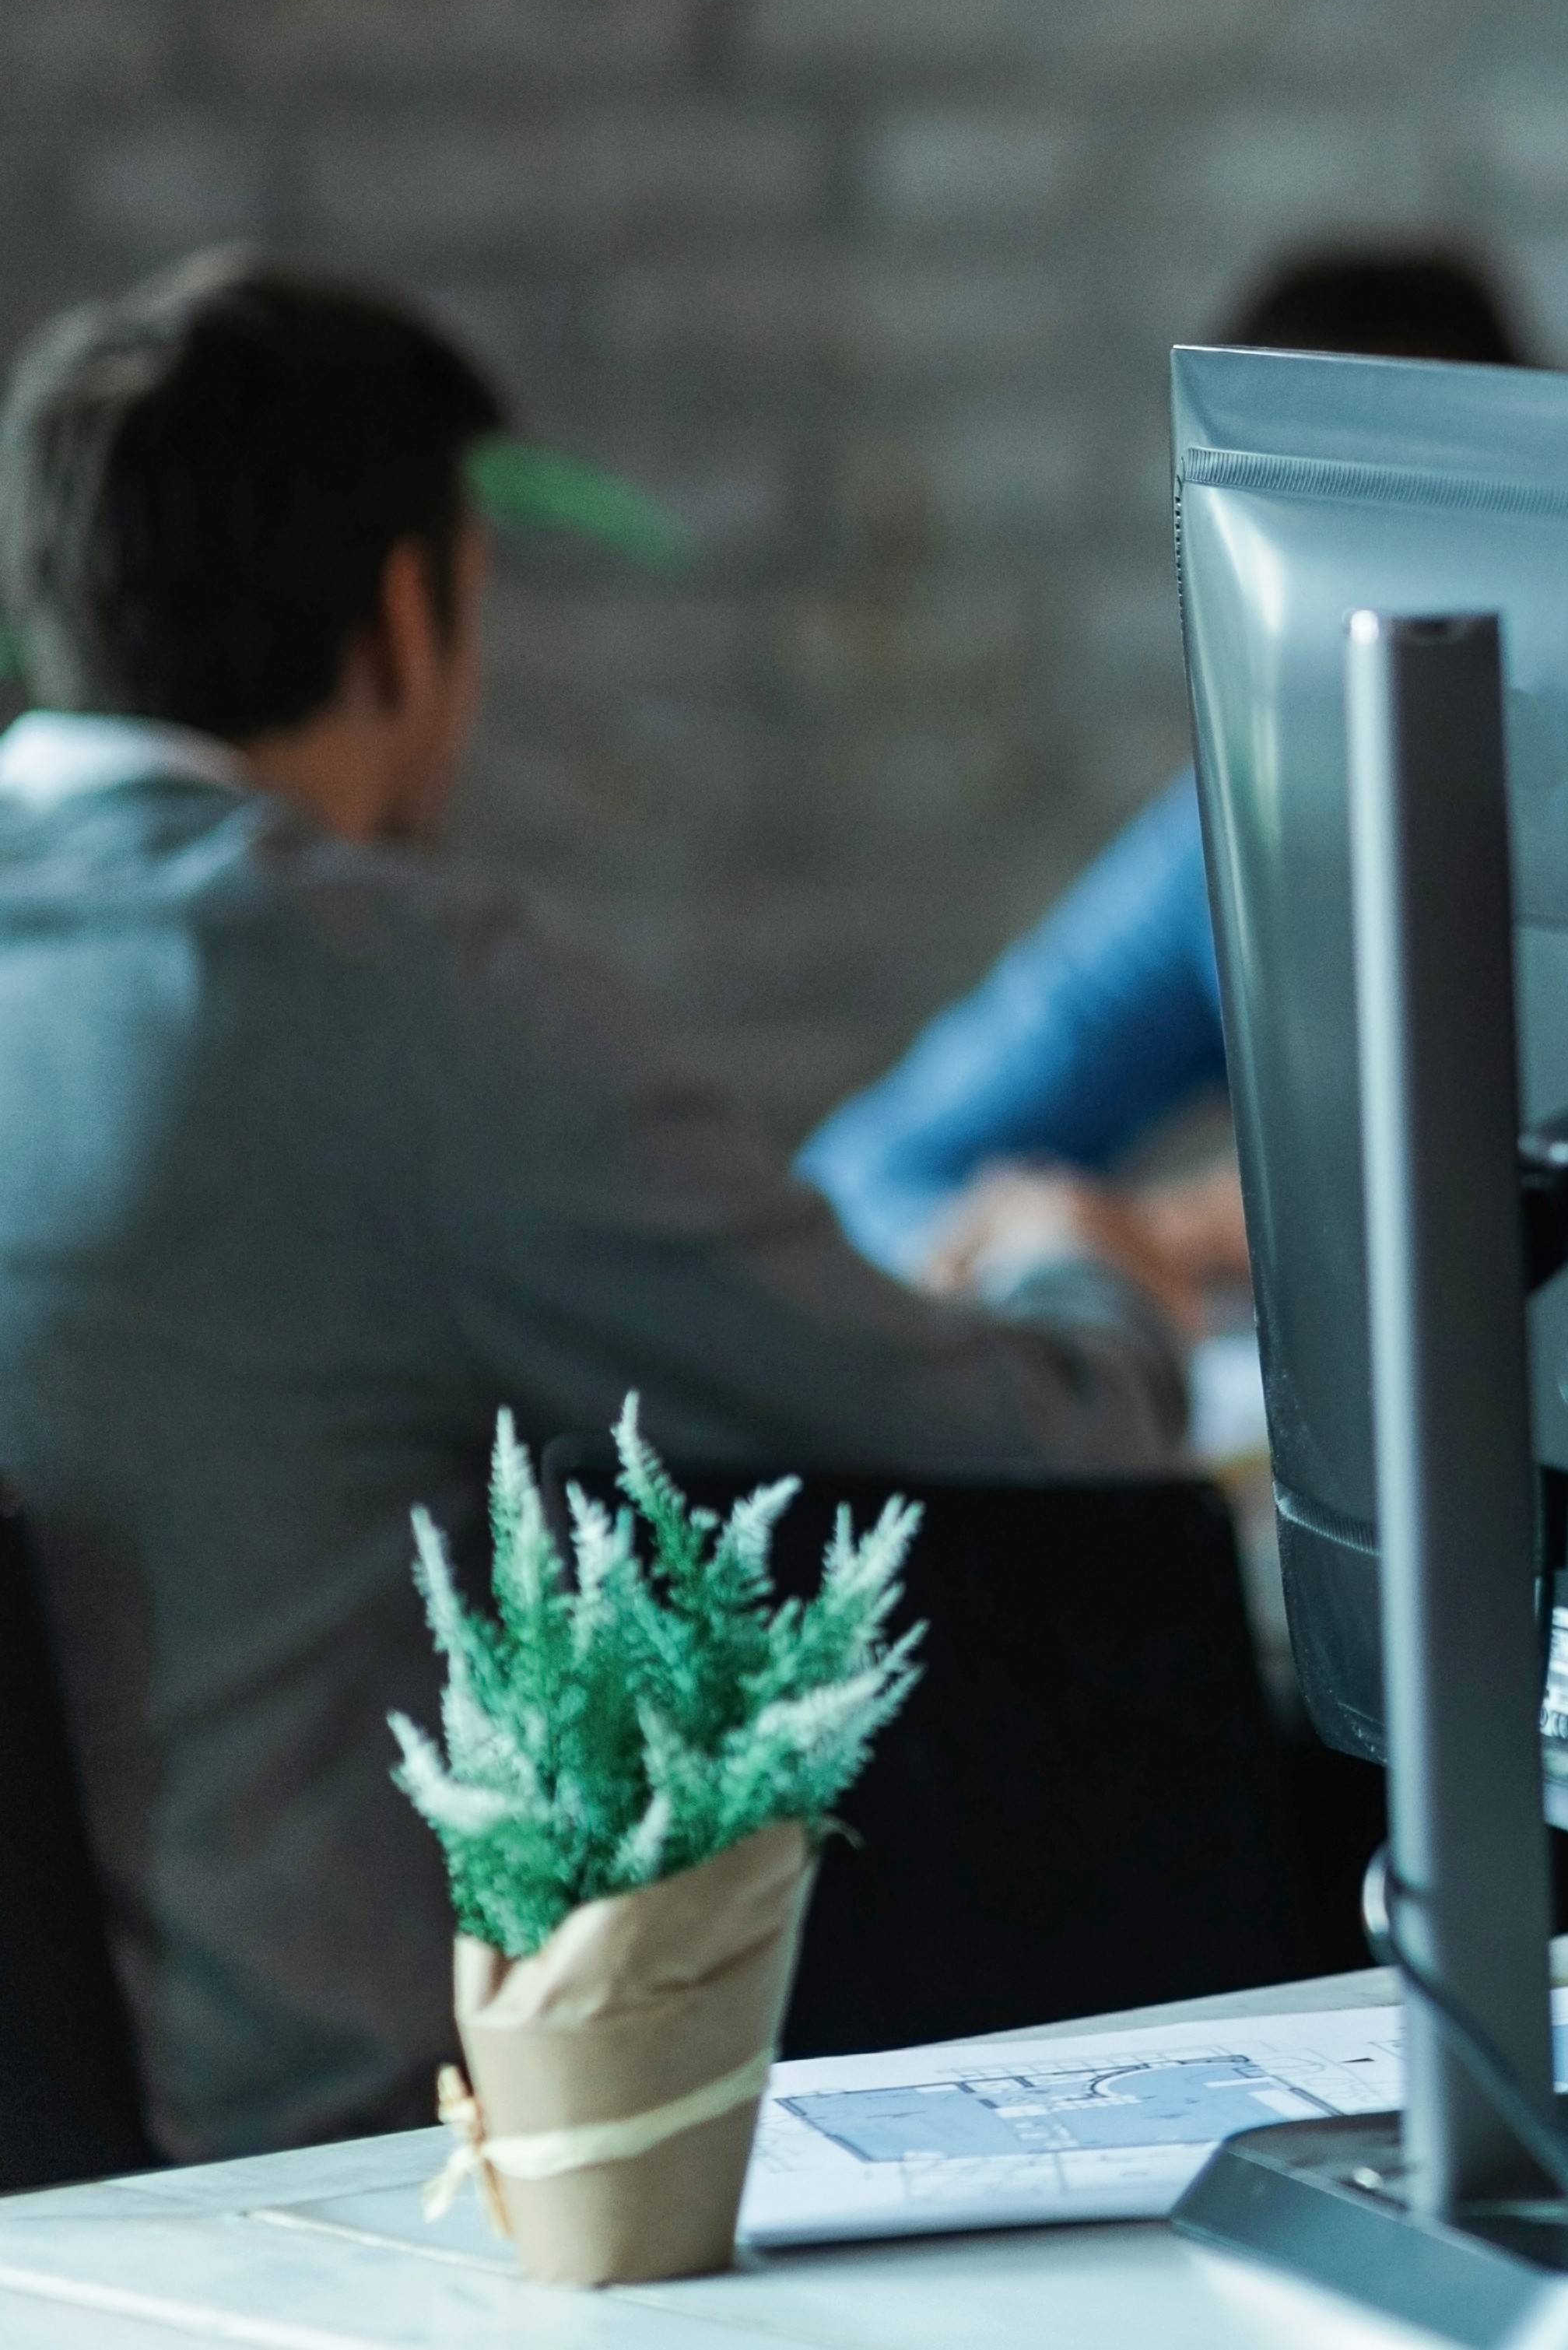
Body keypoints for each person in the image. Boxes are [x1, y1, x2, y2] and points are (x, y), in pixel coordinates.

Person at [0, 256, 1225, 2162]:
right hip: (327, 2164)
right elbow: (1019, 1435)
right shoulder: (378, 997)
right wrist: (1093, 1269)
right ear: (408, 615)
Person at [797, 240, 1532, 1287]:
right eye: (1278, 531)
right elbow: (862, 1180)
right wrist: (1073, 1239)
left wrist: (1208, 1228)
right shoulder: (1240, 830)